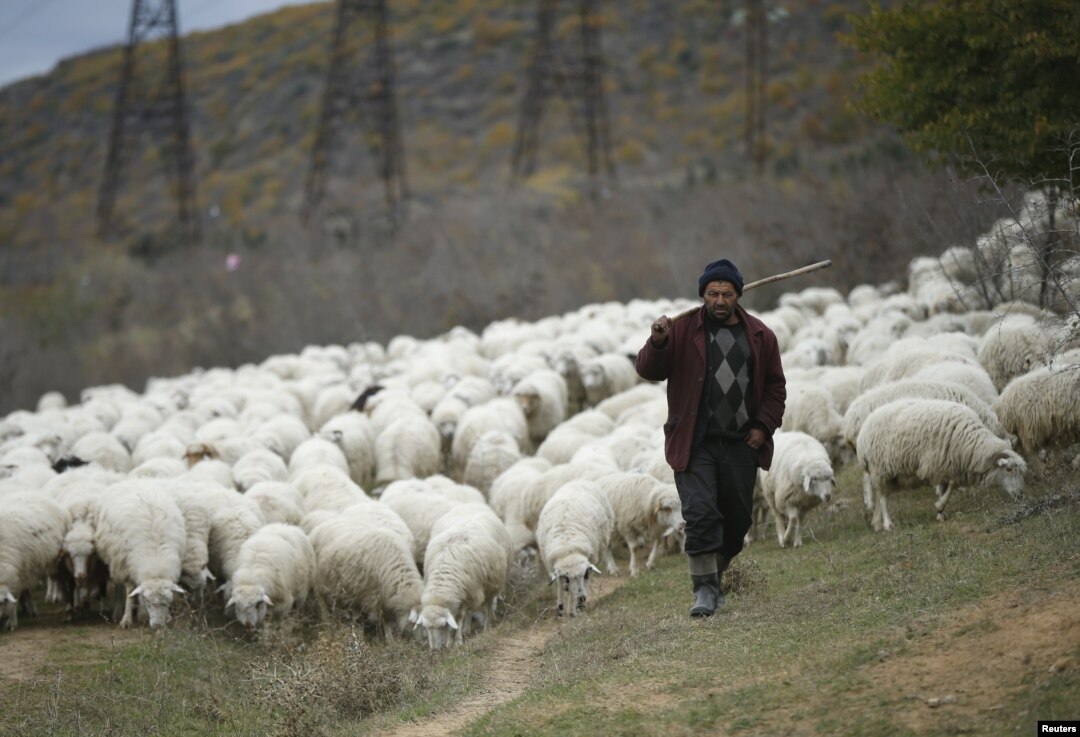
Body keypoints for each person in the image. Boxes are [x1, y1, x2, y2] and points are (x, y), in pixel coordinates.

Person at [636, 258, 786, 617]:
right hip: (696, 439)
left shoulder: (761, 336)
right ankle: (704, 591)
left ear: (738, 295)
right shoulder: (683, 330)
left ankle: (714, 576)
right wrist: (657, 342)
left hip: (740, 442)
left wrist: (762, 426)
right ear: (703, 294)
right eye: (713, 293)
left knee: (736, 522)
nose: (719, 300)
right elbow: (648, 369)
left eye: (727, 294)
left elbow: (775, 389)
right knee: (701, 514)